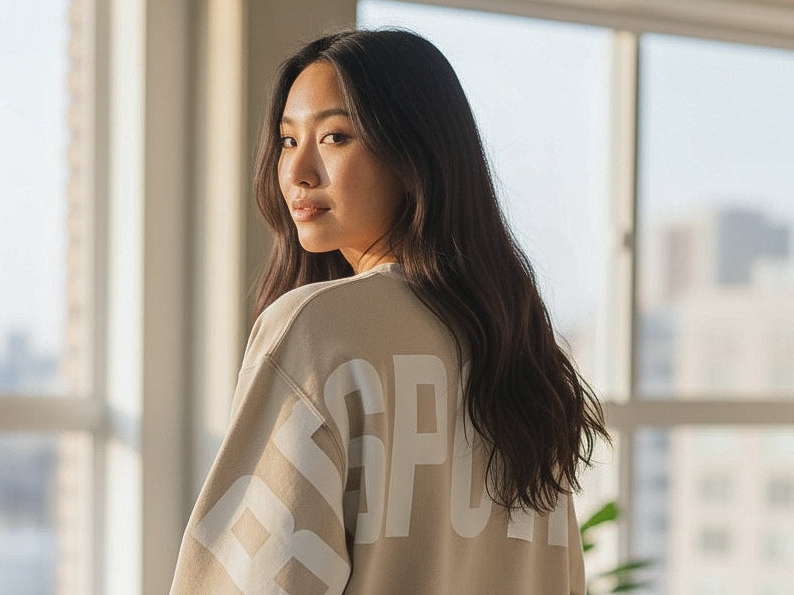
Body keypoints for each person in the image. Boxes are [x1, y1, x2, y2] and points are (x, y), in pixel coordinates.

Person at [170, 29, 608, 594]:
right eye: (287, 140)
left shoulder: (316, 330)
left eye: (335, 137)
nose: (297, 171)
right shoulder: (518, 347)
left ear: (412, 153)